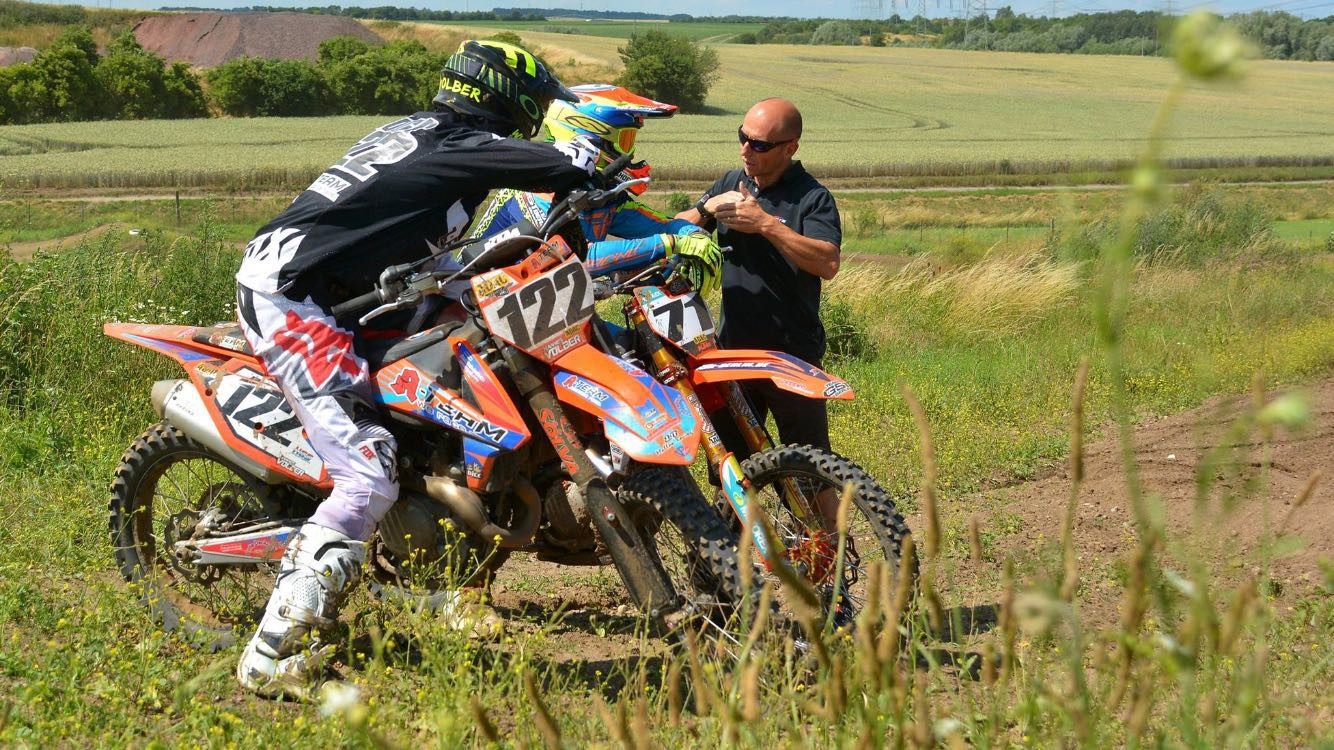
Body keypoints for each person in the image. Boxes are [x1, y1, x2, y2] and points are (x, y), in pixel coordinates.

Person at [232, 39, 602, 700]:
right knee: (365, 473)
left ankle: (432, 510)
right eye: (536, 107)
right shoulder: (455, 144)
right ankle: (272, 655)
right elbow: (556, 164)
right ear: (510, 100)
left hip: (350, 290)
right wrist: (593, 154)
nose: (536, 121)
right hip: (297, 297)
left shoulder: (426, 132)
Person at [674, 97, 843, 523]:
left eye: (760, 144)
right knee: (730, 470)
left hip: (792, 356)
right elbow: (674, 230)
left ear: (791, 147)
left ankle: (836, 556)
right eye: (743, 137)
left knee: (812, 470)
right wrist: (705, 209)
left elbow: (827, 262)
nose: (745, 150)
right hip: (733, 355)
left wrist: (765, 224)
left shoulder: (812, 198)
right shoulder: (731, 181)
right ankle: (726, 558)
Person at [469, 83, 723, 291]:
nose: (629, 153)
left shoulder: (602, 193)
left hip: (544, 304)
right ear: (588, 139)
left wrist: (694, 235)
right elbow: (576, 258)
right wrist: (669, 243)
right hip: (479, 307)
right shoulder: (537, 188)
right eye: (624, 140)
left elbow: (662, 224)